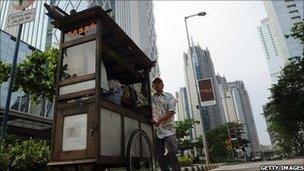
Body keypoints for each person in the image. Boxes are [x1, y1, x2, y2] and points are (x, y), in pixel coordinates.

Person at [151, 77, 181, 171]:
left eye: (158, 83)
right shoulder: (151, 98)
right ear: (152, 86)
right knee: (159, 156)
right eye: (154, 83)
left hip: (169, 129)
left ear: (162, 85)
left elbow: (171, 112)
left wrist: (159, 120)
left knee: (171, 153)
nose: (156, 85)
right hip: (157, 130)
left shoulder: (169, 96)